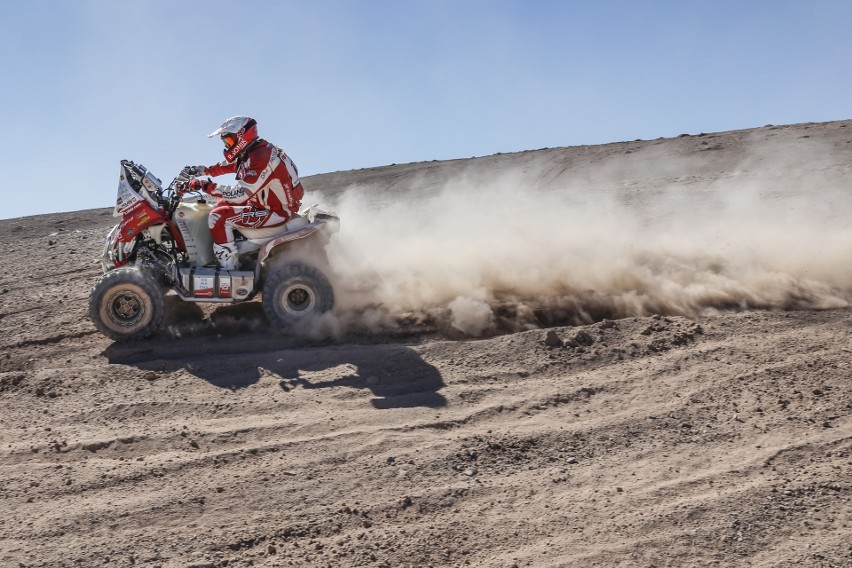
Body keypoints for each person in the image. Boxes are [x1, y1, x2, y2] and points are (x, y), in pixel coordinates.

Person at [187, 116, 304, 270]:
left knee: (217, 217)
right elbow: (230, 166)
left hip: (277, 212)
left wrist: (205, 185)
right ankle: (229, 247)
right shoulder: (256, 151)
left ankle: (228, 268)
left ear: (242, 136)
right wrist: (203, 170)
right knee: (220, 205)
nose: (227, 146)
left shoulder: (261, 157)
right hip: (265, 203)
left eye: (228, 141)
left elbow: (239, 194)